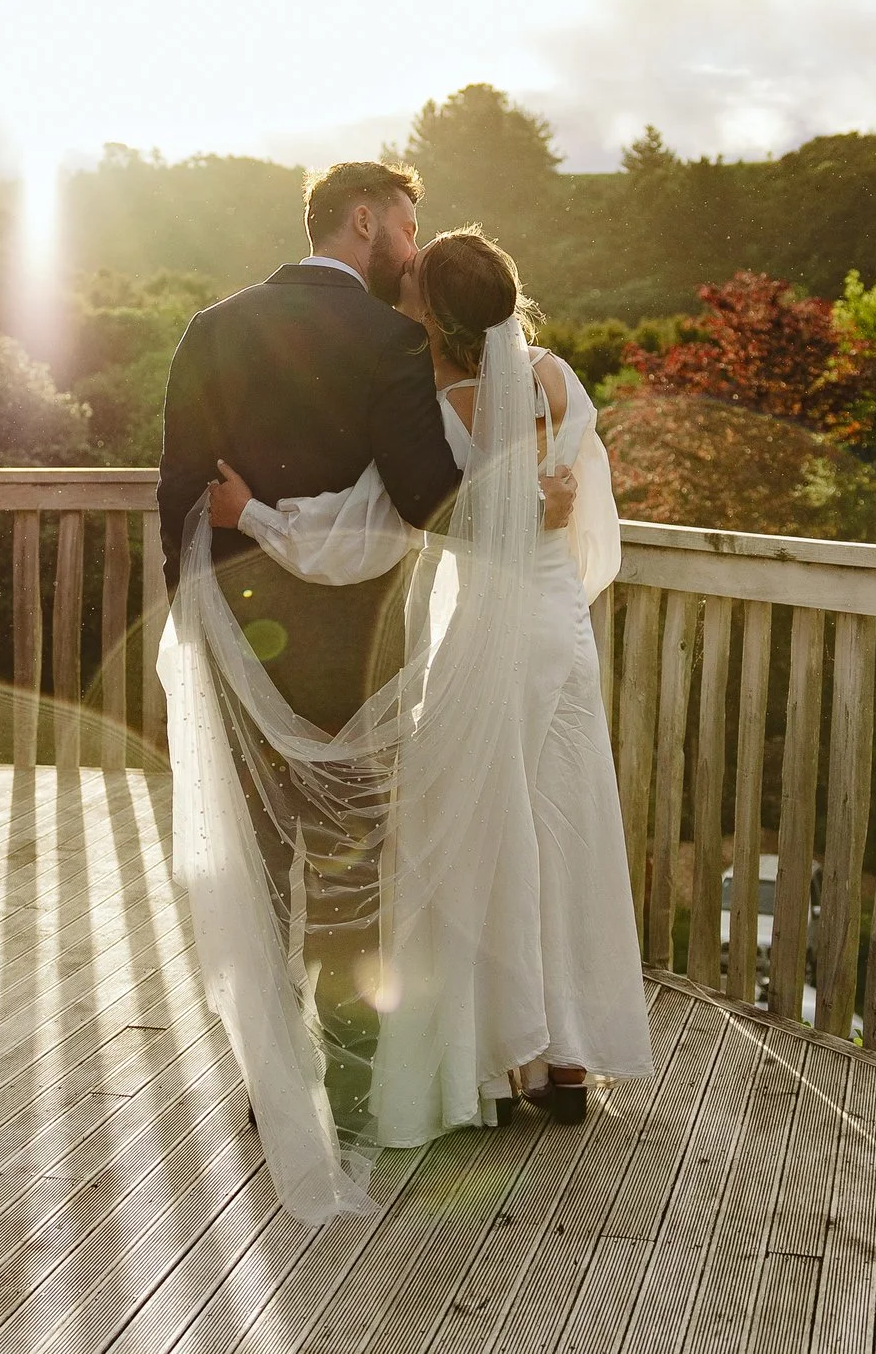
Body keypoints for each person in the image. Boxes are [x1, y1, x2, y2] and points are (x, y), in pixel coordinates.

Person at [157, 163, 545, 1220]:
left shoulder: (210, 326)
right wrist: (519, 472)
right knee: (351, 863)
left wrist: (204, 633)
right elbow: (424, 498)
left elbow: (177, 493)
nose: (412, 253)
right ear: (366, 220)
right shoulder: (386, 345)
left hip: (237, 635)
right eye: (407, 228)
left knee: (263, 852)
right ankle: (354, 1085)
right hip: (355, 651)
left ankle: (269, 1082)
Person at [205, 227, 653, 1135]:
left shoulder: (439, 404)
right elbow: (587, 513)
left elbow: (366, 528)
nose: (394, 299)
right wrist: (541, 517)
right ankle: (562, 1061)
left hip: (489, 636)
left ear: (432, 314)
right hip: (564, 630)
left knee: (462, 838)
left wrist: (248, 510)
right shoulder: (559, 378)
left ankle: (482, 1064)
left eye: (407, 290)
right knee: (564, 823)